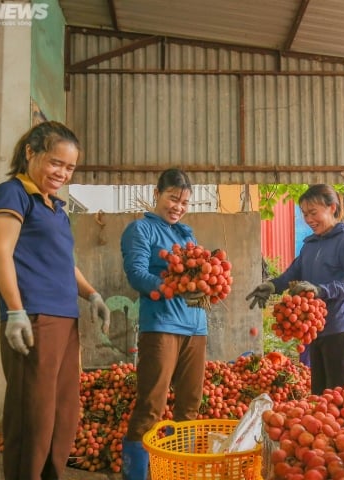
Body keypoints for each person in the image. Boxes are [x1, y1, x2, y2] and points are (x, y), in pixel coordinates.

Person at [0, 121, 112, 479]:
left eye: (69, 168)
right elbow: (1, 251)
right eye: (56, 163)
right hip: (35, 319)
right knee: (33, 418)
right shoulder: (12, 195)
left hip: (65, 319)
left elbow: (64, 263)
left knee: (62, 415)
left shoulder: (54, 206)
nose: (62, 173)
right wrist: (15, 311)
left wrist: (91, 294)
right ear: (30, 153)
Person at [120, 168, 207, 480]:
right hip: (161, 325)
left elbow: (199, 275)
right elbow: (137, 275)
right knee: (151, 406)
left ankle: (179, 473)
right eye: (173, 198)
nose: (178, 207)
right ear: (157, 194)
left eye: (184, 202)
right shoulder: (140, 230)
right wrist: (177, 286)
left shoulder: (187, 234)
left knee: (189, 407)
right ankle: (135, 476)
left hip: (196, 327)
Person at [246, 184, 344, 395]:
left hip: (340, 329)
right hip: (315, 331)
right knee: (318, 395)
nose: (309, 219)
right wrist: (272, 286)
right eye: (304, 214)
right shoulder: (310, 244)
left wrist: (320, 290)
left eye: (313, 213)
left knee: (339, 397)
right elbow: (293, 273)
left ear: (332, 208)